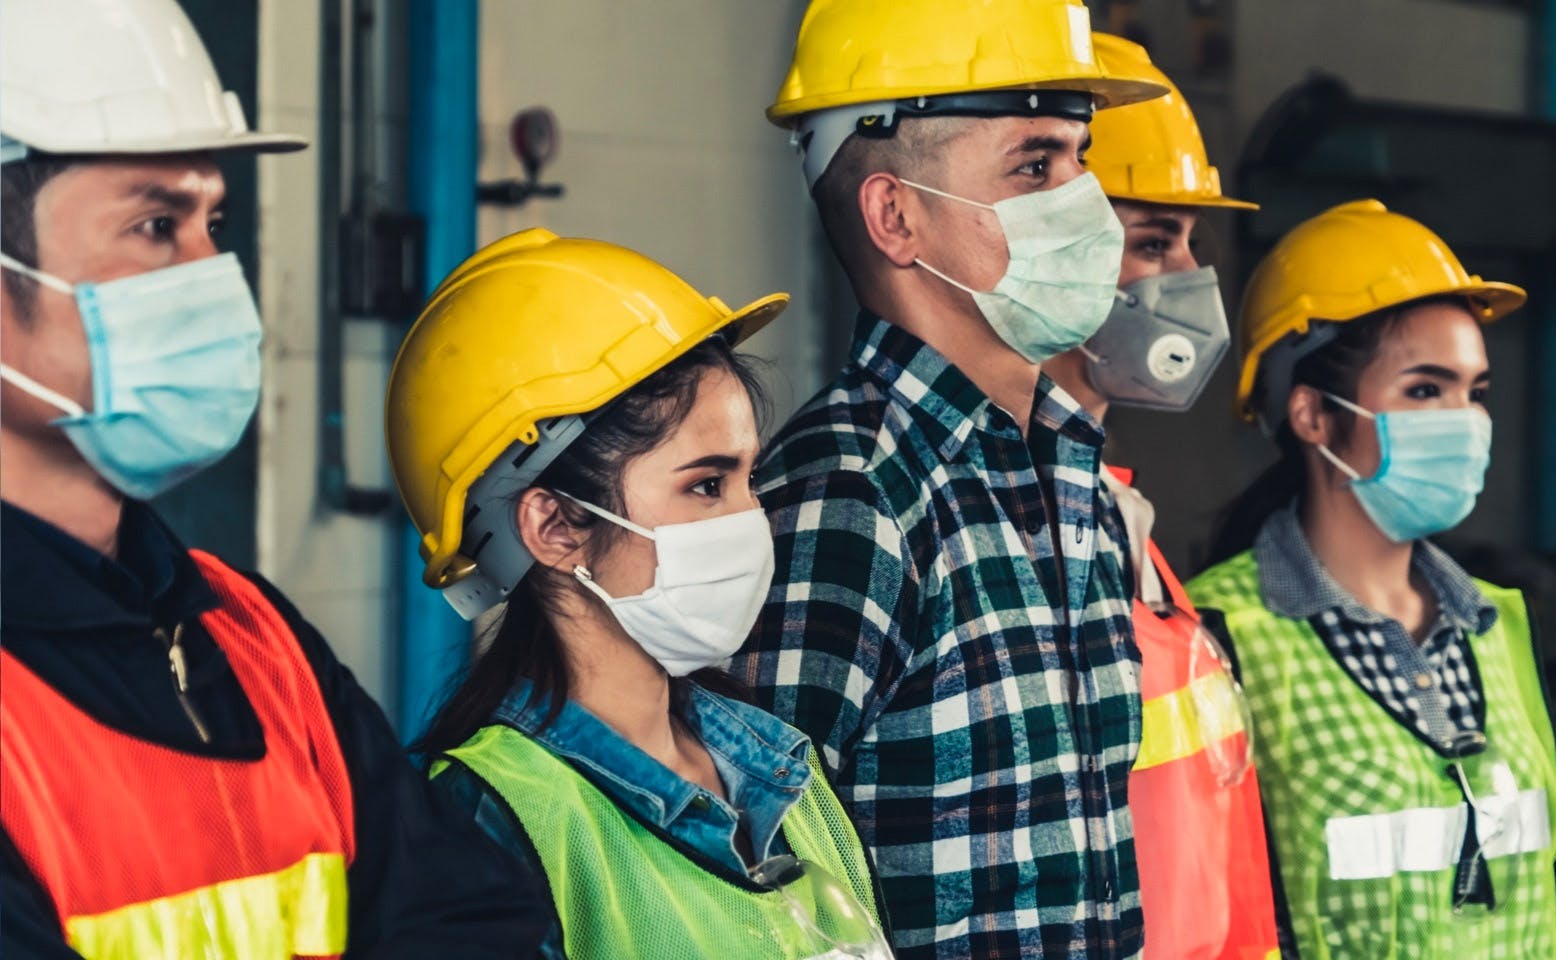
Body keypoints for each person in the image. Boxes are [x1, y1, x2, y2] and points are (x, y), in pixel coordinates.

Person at [0, 1, 550, 956]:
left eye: (214, 220)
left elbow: (467, 922)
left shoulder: (250, 634)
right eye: (155, 223)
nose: (216, 273)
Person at [728, 2, 1170, 956]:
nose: (1085, 204)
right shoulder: (846, 496)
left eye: (1080, 161)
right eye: (1035, 165)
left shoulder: (1070, 474)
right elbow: (764, 887)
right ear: (895, 216)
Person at [387, 228, 890, 960]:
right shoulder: (490, 825)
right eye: (706, 486)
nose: (751, 520)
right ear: (554, 525)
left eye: (748, 479)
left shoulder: (780, 769)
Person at [1186, 199, 1556, 958]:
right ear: (1311, 416)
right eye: (1424, 390)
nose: (1464, 420)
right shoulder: (1213, 635)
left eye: (1474, 391)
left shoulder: (1495, 622)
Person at [1039, 34, 1283, 960]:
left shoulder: (1115, 511)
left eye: (1188, 242)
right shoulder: (1012, 517)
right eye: (1150, 241)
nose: (1184, 279)